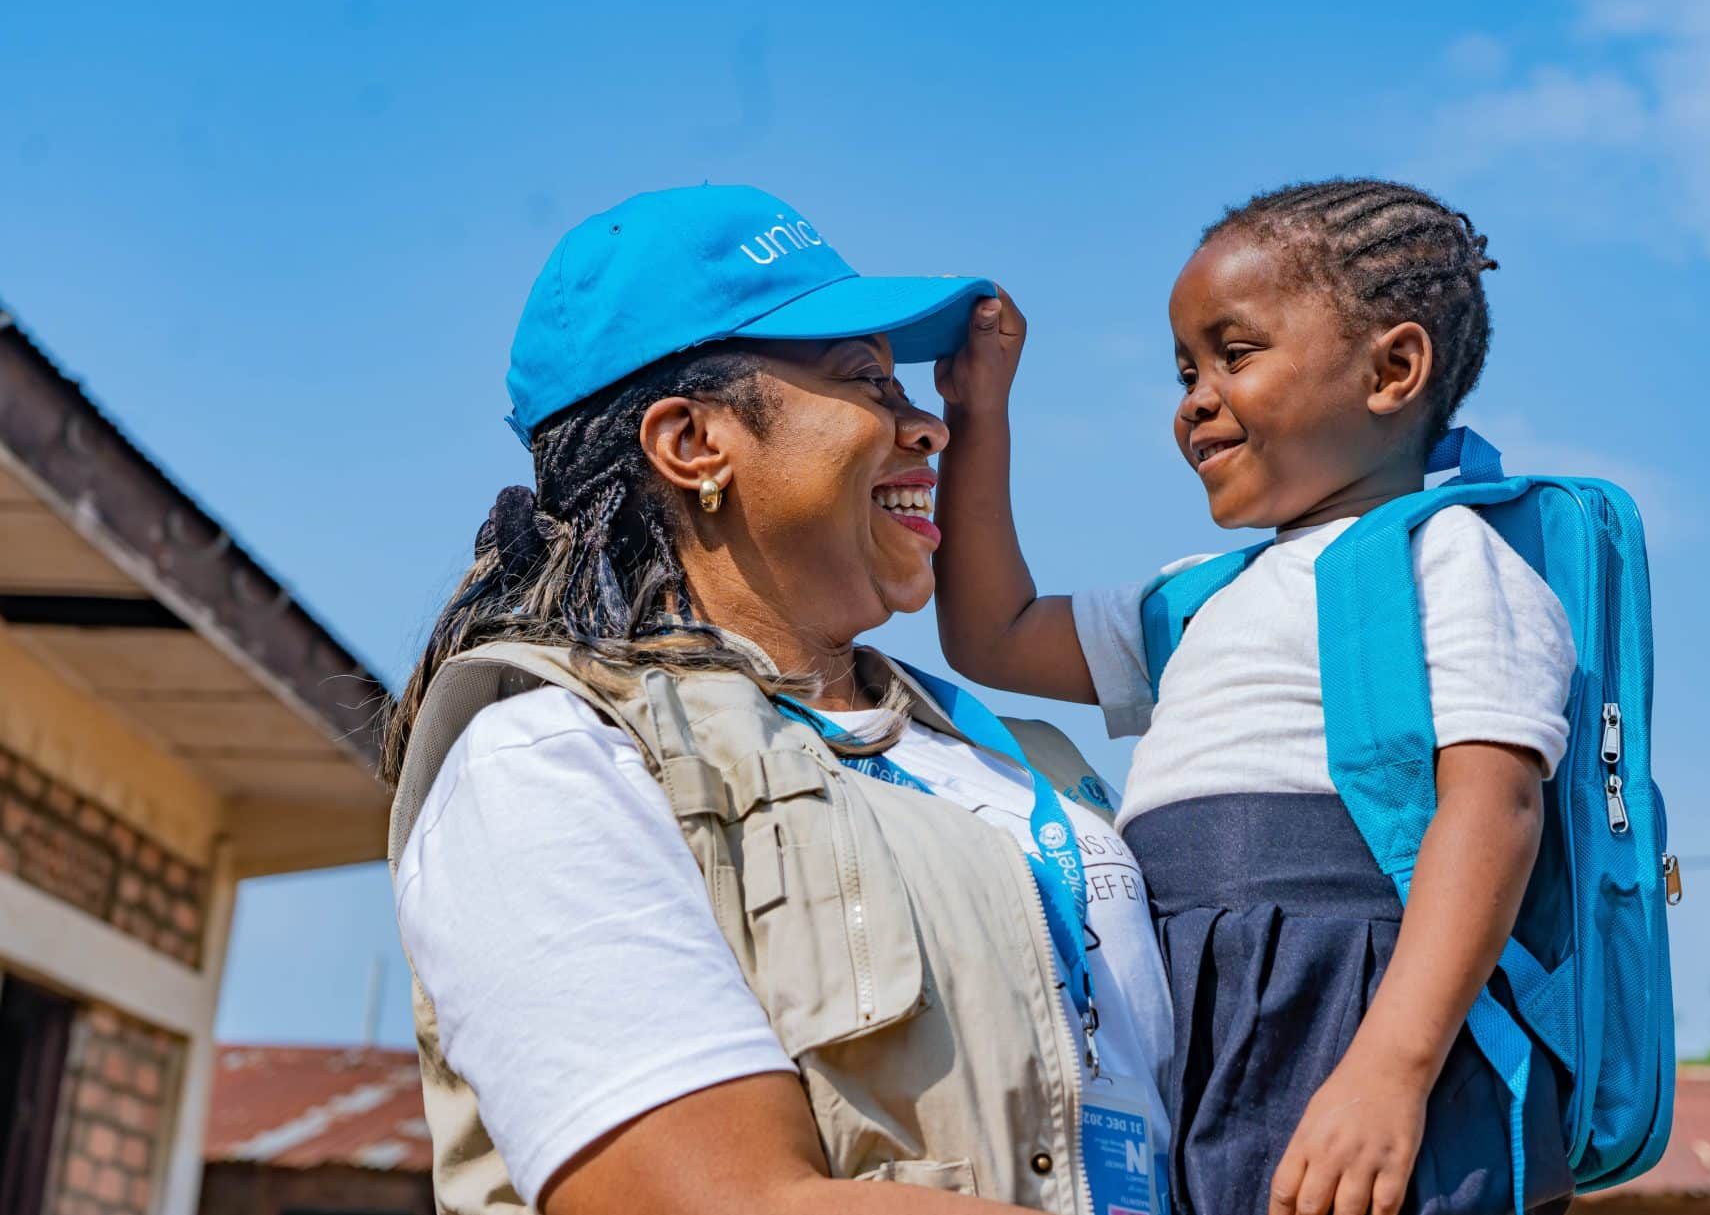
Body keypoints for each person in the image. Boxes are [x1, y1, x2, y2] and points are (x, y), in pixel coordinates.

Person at [382, 184, 1172, 1215]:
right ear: (693, 443)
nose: (927, 425)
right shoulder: (547, 754)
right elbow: (727, 1200)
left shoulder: (1026, 763)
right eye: (866, 383)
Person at [933, 179, 1579, 1215]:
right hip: (1189, 1017)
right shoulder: (1198, 597)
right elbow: (991, 631)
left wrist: (1390, 1069)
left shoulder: (1445, 554)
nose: (1192, 396)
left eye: (1234, 353)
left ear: (1393, 369)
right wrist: (978, 414)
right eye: (1184, 368)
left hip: (1341, 1011)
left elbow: (1491, 807)